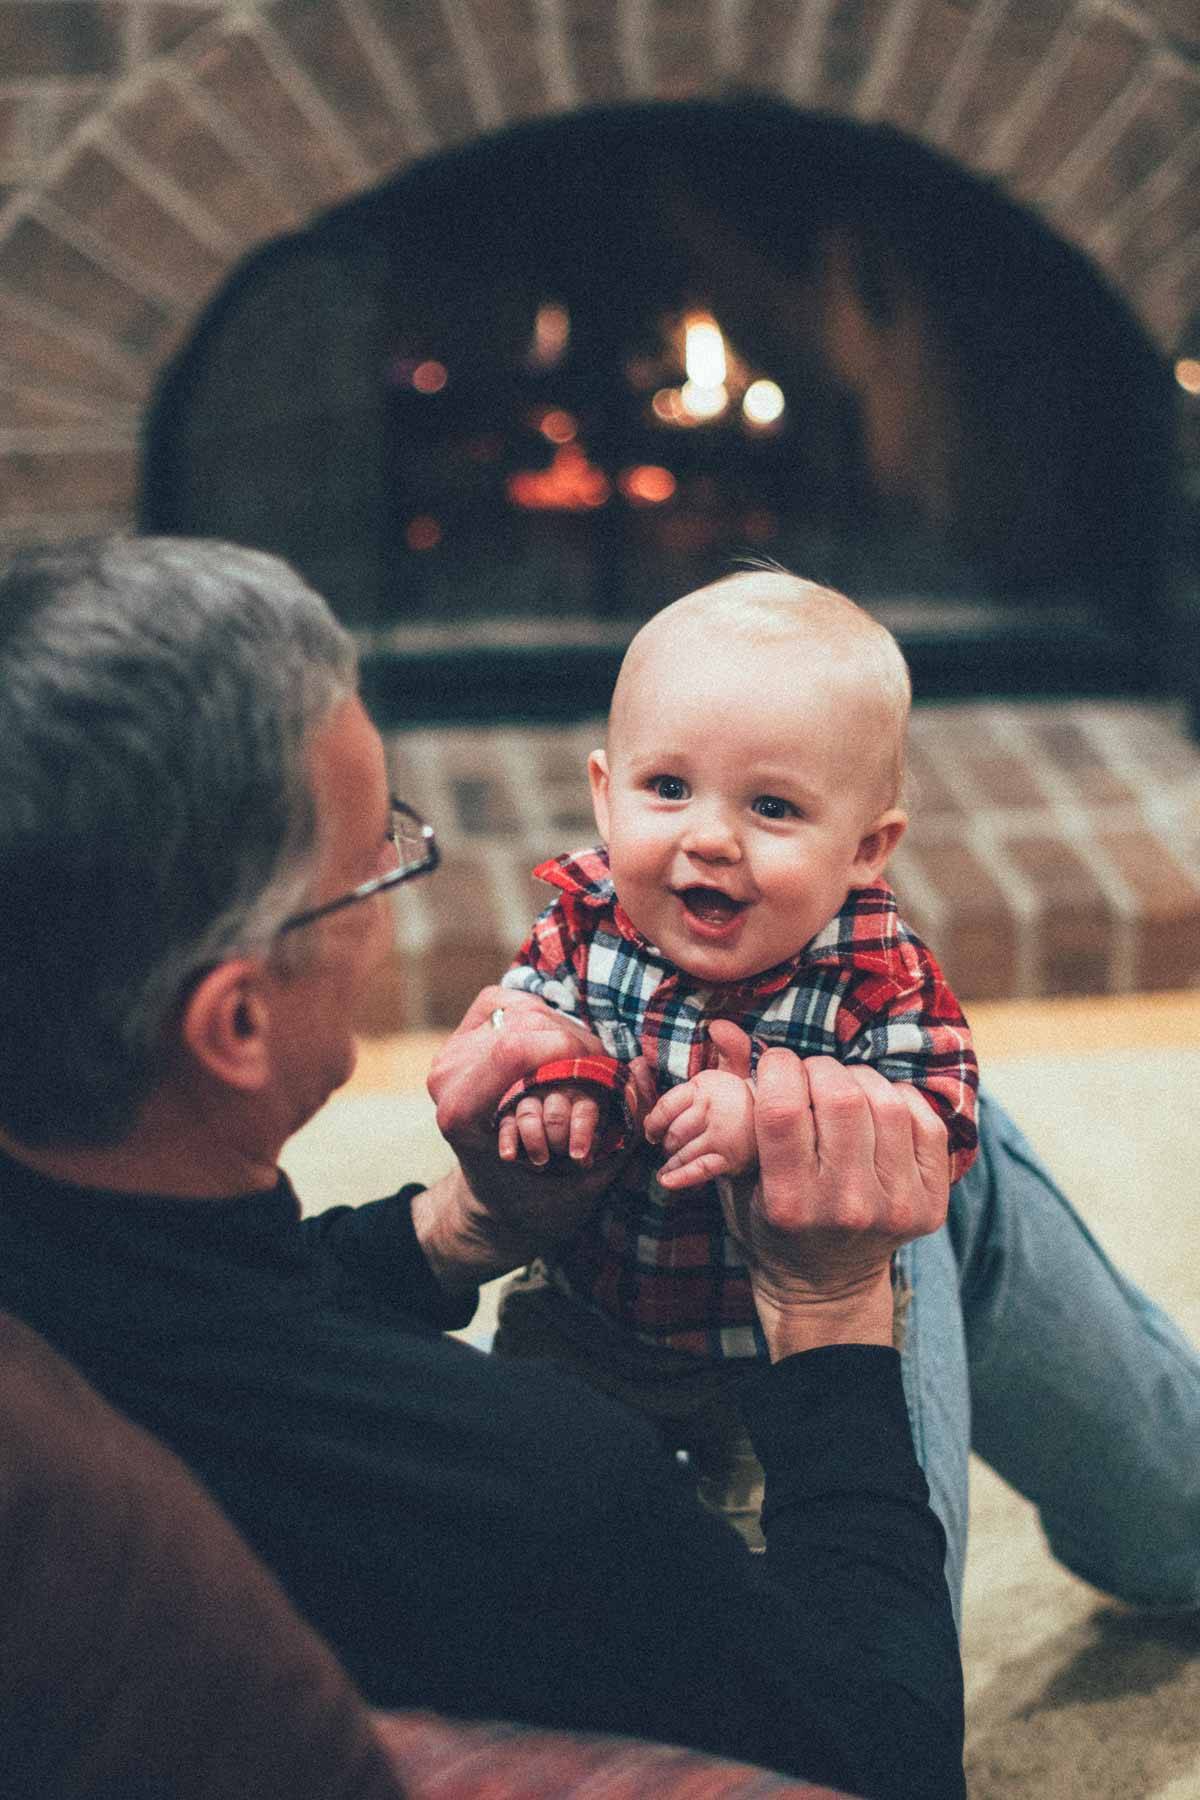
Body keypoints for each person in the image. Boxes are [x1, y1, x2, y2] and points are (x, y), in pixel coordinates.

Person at [0, 535, 964, 1800]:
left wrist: (457, 1225)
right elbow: (891, 1768)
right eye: (375, 871)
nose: (397, 907)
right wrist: (831, 1307)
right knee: (937, 1183)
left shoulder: (65, 1296)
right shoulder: (543, 1489)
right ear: (234, 1023)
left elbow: (220, 1295)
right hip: (690, 1343)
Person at [492, 569, 978, 1546]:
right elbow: (531, 1020)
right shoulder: (587, 920)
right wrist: (558, 1086)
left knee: (761, 1561)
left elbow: (944, 1121)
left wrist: (769, 1127)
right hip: (586, 1308)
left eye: (773, 808)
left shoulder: (876, 973)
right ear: (604, 792)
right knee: (522, 1512)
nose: (709, 838)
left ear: (867, 847)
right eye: (667, 789)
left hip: (765, 1351)